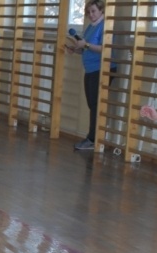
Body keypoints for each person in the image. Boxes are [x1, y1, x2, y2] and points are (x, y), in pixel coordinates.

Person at [65, 0, 106, 150]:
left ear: (101, 11)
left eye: (94, 11)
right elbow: (84, 47)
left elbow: (103, 49)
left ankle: (92, 138)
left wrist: (86, 45)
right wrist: (75, 49)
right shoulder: (90, 27)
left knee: (95, 104)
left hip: (100, 69)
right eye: (88, 12)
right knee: (92, 104)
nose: (91, 15)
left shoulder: (105, 26)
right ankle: (92, 137)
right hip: (89, 69)